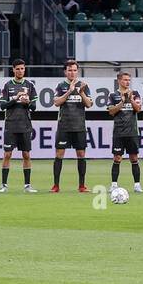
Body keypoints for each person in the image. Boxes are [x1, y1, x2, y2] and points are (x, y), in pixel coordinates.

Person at [51, 59, 92, 193]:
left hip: (79, 126)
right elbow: (56, 102)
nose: (72, 72)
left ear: (77, 71)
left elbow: (89, 104)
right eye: (69, 70)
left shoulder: (83, 86)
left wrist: (81, 93)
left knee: (81, 154)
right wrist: (69, 91)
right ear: (65, 72)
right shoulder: (60, 86)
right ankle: (56, 185)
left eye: (74, 70)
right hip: (64, 126)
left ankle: (82, 185)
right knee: (59, 154)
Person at [0, 59, 38, 193]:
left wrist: (27, 102)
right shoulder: (7, 85)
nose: (20, 71)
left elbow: (34, 107)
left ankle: (27, 185)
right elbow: (2, 105)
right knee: (7, 154)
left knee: (26, 155)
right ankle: (4, 185)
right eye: (18, 69)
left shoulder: (30, 85)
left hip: (25, 125)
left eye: (22, 68)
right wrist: (15, 98)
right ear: (13, 70)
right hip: (10, 125)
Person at [107, 71, 143, 194]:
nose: (127, 82)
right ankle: (113, 185)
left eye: (129, 80)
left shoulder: (135, 94)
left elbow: (138, 109)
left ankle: (137, 185)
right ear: (119, 81)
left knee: (134, 158)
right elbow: (111, 111)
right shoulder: (113, 95)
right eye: (125, 80)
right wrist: (122, 102)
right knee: (117, 157)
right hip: (118, 132)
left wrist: (130, 99)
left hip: (132, 131)